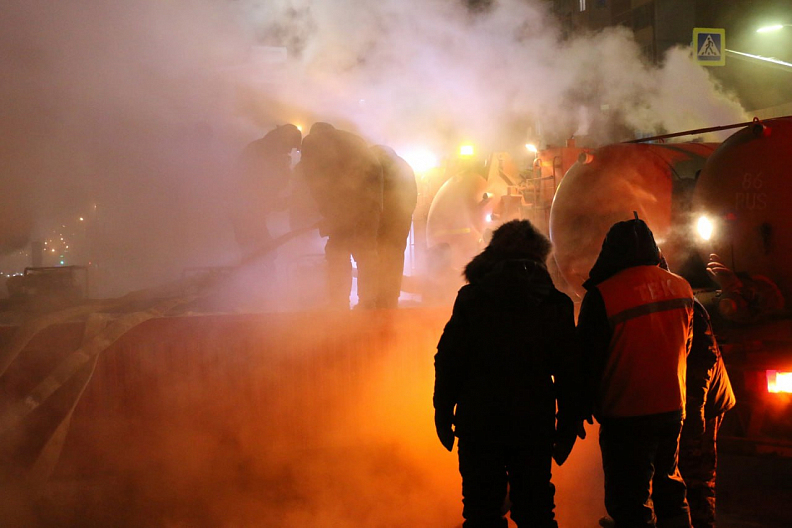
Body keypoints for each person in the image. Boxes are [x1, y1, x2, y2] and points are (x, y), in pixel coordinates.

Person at [433, 219, 584, 528]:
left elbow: (449, 359)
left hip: (479, 421)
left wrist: (443, 410)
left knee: (481, 511)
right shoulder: (556, 304)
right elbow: (569, 370)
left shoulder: (471, 298)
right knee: (536, 511)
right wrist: (568, 424)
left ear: (492, 255)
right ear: (540, 256)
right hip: (533, 421)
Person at [577, 216, 697, 528]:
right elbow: (687, 345)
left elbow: (587, 361)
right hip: (672, 407)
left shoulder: (604, 295)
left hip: (626, 413)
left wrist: (579, 409)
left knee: (630, 500)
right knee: (670, 488)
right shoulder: (682, 287)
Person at [298, 122, 383, 309]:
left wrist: (327, 212)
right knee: (366, 252)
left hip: (343, 203)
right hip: (371, 204)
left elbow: (315, 180)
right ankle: (368, 303)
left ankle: (338, 304)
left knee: (337, 252)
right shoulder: (355, 140)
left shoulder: (313, 141)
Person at [678, 299, 736, 528]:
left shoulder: (682, 302)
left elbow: (703, 359)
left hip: (704, 403)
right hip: (691, 400)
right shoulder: (676, 297)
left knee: (696, 477)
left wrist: (695, 413)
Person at [231, 124, 302, 263]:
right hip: (246, 211)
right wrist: (284, 201)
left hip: (249, 211)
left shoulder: (263, 149)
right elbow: (259, 189)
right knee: (262, 253)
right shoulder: (263, 154)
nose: (289, 151)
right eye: (290, 146)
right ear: (283, 141)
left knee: (260, 252)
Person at [370, 145, 418, 309]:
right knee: (395, 257)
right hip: (400, 222)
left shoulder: (377, 167)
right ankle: (391, 296)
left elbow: (373, 197)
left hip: (383, 222)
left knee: (376, 256)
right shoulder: (404, 166)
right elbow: (412, 198)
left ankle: (377, 297)